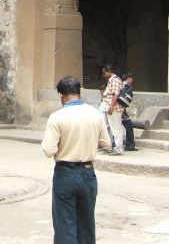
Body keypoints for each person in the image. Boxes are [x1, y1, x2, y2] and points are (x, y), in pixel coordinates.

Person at [41, 76, 111, 244]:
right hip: (88, 172)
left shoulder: (57, 117)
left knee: (65, 224)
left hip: (65, 172)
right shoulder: (94, 114)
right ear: (79, 93)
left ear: (61, 95)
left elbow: (49, 150)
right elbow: (106, 143)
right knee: (86, 223)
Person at [101, 64, 125, 156]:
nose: (103, 75)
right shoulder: (111, 80)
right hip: (109, 107)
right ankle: (108, 147)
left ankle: (118, 149)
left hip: (114, 108)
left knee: (116, 129)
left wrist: (111, 106)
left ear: (109, 71)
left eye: (104, 73)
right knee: (108, 127)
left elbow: (116, 94)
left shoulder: (115, 80)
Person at [119, 73, 138, 151]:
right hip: (121, 109)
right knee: (129, 126)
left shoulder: (119, 85)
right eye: (131, 79)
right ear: (129, 79)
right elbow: (125, 101)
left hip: (115, 108)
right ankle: (129, 145)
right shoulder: (127, 87)